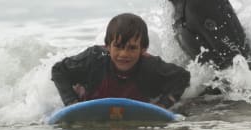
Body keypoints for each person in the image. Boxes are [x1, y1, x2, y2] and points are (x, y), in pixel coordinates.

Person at [51, 13, 190, 108]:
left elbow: (182, 77)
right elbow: (58, 70)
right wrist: (71, 102)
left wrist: (163, 104)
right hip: (89, 98)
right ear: (107, 46)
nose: (124, 54)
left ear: (143, 50)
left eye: (132, 48)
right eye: (118, 47)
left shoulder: (150, 66)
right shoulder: (94, 59)